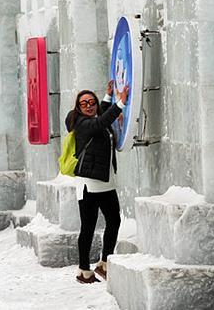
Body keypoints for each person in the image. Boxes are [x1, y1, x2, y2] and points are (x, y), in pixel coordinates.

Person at [66, 80, 129, 283]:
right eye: (84, 103)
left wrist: (108, 96)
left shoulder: (94, 115)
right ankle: (84, 271)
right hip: (89, 184)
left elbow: (100, 114)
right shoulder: (81, 123)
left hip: (105, 180)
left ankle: (103, 264)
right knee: (88, 227)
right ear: (78, 107)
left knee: (114, 221)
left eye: (91, 101)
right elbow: (99, 123)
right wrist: (119, 104)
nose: (89, 106)